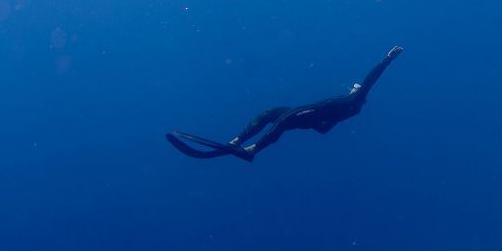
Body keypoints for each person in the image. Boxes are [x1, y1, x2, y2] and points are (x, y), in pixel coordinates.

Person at [167, 46, 403, 162]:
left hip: (310, 114)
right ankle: (237, 141)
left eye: (355, 87)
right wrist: (320, 123)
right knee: (271, 113)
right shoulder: (348, 106)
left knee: (285, 119)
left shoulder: (356, 100)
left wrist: (387, 59)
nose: (353, 87)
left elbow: (370, 79)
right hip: (311, 117)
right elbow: (324, 129)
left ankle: (252, 150)